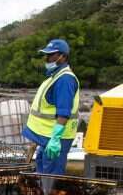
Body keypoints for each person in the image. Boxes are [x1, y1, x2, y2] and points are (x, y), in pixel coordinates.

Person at [23, 38, 80, 175]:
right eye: (46, 55)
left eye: (51, 55)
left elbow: (64, 112)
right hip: (46, 138)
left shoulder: (65, 80)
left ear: (63, 57)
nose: (47, 58)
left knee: (51, 178)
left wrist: (55, 139)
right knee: (42, 173)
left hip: (56, 139)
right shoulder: (55, 76)